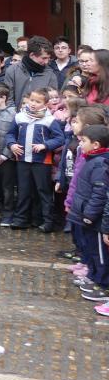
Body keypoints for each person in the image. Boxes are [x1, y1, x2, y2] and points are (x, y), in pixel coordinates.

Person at [6, 87, 66, 231]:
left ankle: (46, 221)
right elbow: (10, 134)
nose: (33, 103)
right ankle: (21, 219)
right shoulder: (20, 116)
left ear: (45, 105)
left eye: (38, 102)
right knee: (23, 190)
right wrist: (12, 144)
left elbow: (60, 138)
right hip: (22, 160)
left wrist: (45, 145)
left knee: (43, 191)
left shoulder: (50, 120)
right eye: (32, 100)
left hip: (42, 162)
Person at [65, 124, 109, 306]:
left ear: (96, 144)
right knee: (90, 249)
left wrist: (89, 214)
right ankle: (92, 275)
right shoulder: (91, 160)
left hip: (94, 219)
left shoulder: (100, 164)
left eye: (84, 141)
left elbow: (99, 193)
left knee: (99, 253)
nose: (80, 144)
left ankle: (101, 282)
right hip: (85, 215)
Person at [5, 36, 54, 109]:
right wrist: (16, 118)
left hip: (41, 117)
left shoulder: (50, 75)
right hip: (17, 118)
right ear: (32, 55)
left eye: (48, 58)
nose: (46, 62)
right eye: (44, 58)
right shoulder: (12, 71)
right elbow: (8, 99)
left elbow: (52, 101)